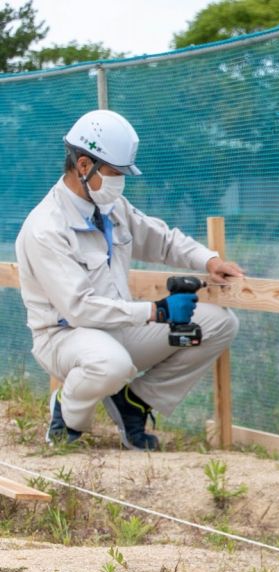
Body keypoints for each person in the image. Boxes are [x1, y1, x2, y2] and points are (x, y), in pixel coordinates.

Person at [15, 109, 243, 451]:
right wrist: (157, 312)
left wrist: (209, 260)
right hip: (64, 336)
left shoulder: (110, 206)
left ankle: (133, 403)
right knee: (111, 363)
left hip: (118, 326)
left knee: (219, 323)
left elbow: (160, 238)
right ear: (83, 166)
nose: (119, 181)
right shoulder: (45, 228)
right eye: (113, 172)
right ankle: (68, 415)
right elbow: (79, 309)